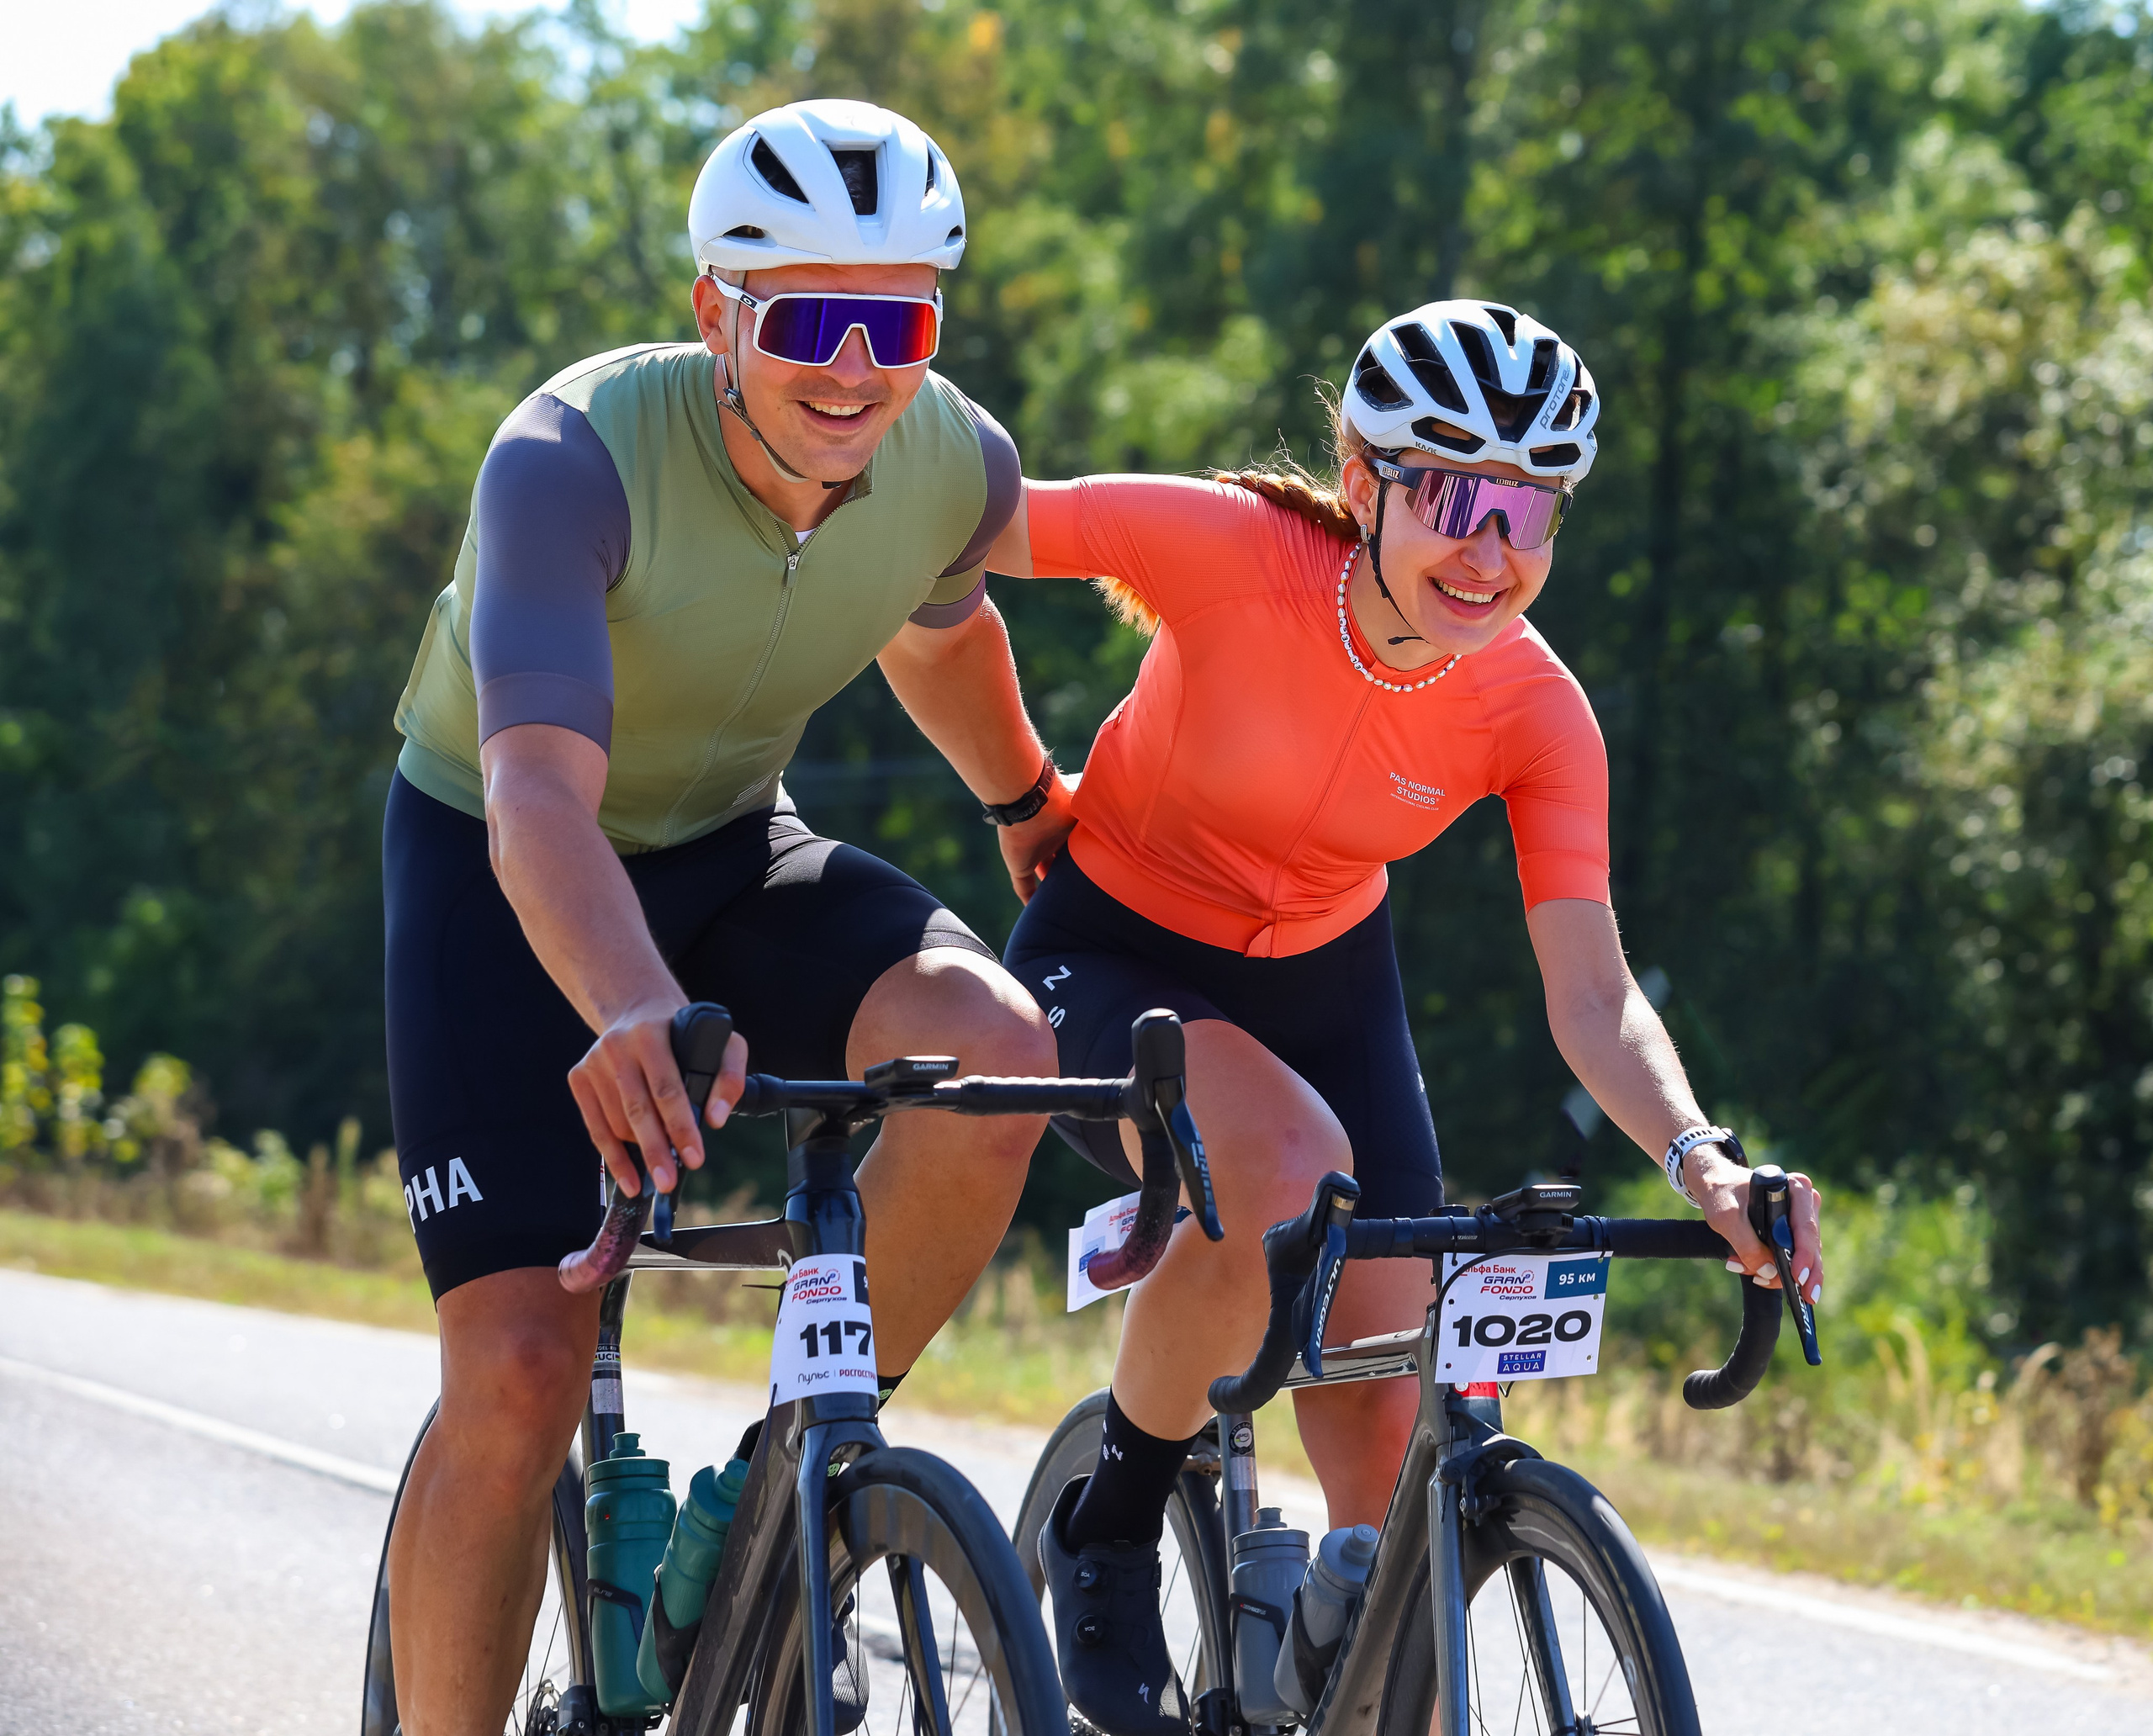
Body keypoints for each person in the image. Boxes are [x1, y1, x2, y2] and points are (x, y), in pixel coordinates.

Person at [984, 300, 1828, 1735]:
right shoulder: (1229, 549)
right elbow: (958, 519)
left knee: (1392, 1456)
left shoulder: (1537, 710)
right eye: (1451, 497)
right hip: (1113, 958)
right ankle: (1108, 1527)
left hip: (1328, 989)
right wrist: (1014, 785)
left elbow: (1594, 992)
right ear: (1363, 482)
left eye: (1529, 509)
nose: (1491, 550)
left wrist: (1704, 1160)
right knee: (1280, 1163)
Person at [381, 99, 1069, 1736]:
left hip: (733, 845)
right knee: (521, 1374)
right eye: (809, 322)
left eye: (898, 324)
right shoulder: (570, 459)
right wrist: (627, 1003)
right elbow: (536, 795)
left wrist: (1032, 803)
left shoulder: (953, 463)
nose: (855, 370)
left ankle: (773, 1499)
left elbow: (942, 633)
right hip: (504, 859)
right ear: (715, 312)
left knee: (997, 1057)